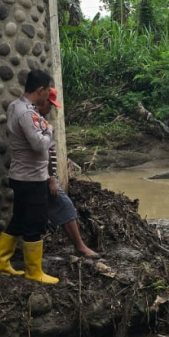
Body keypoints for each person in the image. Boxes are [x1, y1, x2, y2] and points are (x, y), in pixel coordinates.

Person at [0, 69, 59, 284]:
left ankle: (2, 263)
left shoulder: (15, 106)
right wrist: (49, 130)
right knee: (35, 222)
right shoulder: (26, 112)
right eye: (47, 91)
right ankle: (34, 271)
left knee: (19, 219)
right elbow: (39, 143)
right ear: (40, 90)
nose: (47, 95)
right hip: (31, 178)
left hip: (21, 175)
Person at [40, 89, 100, 258]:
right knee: (65, 206)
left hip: (42, 175)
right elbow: (42, 153)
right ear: (43, 101)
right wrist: (51, 178)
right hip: (43, 176)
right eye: (50, 105)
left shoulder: (39, 121)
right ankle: (80, 247)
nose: (50, 109)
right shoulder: (37, 122)